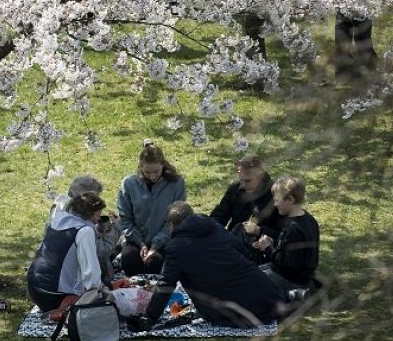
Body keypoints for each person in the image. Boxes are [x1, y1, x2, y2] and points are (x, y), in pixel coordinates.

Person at [128, 202, 282, 332]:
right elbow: (241, 252)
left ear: (171, 225)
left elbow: (165, 286)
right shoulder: (216, 227)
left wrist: (150, 318)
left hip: (231, 310)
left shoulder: (176, 247)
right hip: (265, 296)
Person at [27, 192, 107, 313]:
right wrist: (99, 293)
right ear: (89, 214)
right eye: (98, 215)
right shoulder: (84, 231)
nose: (98, 219)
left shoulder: (58, 219)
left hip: (33, 286)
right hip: (55, 296)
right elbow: (91, 274)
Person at [116, 141, 186, 275]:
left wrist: (155, 246)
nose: (152, 176)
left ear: (163, 165)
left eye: (156, 172)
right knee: (130, 260)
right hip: (135, 239)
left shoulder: (176, 183)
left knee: (154, 262)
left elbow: (175, 220)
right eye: (147, 172)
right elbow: (125, 218)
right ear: (140, 166)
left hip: (163, 239)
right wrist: (140, 242)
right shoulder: (129, 183)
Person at [253, 176, 320, 299]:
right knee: (251, 271)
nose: (275, 204)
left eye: (277, 200)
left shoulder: (293, 228)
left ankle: (291, 294)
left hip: (291, 278)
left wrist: (268, 249)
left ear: (290, 199)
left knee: (250, 281)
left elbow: (288, 264)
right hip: (304, 275)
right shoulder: (309, 219)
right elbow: (294, 252)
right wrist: (272, 243)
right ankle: (302, 289)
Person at [210, 154, 287, 261]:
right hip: (234, 243)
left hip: (263, 250)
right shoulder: (235, 189)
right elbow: (220, 215)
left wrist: (259, 230)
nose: (243, 185)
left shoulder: (275, 195)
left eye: (248, 181)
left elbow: (285, 234)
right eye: (241, 180)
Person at [46, 176, 120, 283]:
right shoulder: (84, 227)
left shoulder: (61, 212)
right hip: (67, 281)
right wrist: (116, 228)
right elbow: (100, 254)